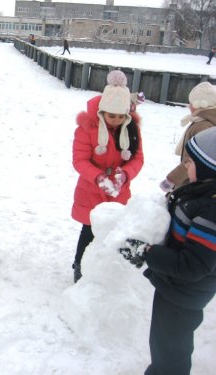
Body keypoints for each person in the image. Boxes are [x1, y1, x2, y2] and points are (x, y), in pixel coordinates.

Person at [118, 127, 216, 375]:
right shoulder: (198, 191)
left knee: (170, 348)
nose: (185, 166)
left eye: (190, 162)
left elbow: (192, 266)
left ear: (208, 168)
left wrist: (148, 253)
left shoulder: (211, 211)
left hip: (184, 293)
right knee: (164, 342)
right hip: (175, 287)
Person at [71, 70, 144, 282]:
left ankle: (107, 269)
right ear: (102, 111)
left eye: (121, 116)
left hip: (119, 189)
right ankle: (80, 267)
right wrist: (99, 177)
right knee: (89, 230)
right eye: (111, 116)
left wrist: (126, 174)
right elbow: (80, 160)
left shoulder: (131, 129)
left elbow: (137, 158)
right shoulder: (87, 128)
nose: (116, 120)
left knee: (115, 230)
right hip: (92, 189)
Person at [160, 81, 216, 193]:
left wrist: (172, 179)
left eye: (190, 103)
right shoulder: (203, 121)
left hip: (193, 180)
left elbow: (195, 159)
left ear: (199, 105)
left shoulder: (203, 125)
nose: (189, 106)